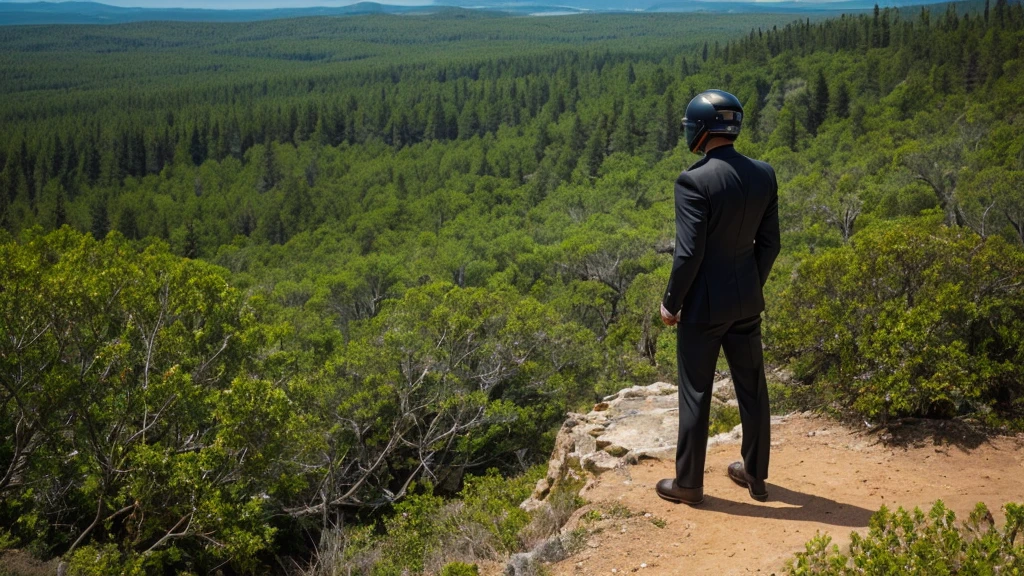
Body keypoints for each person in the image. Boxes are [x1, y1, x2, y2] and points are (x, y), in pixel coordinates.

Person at [654, 89, 780, 505]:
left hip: (703, 310)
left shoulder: (693, 180)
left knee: (695, 392)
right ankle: (756, 477)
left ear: (703, 129)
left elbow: (689, 253)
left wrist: (672, 304)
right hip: (746, 303)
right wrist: (750, 287)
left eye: (692, 125)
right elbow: (770, 244)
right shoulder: (764, 173)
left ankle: (688, 485)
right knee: (752, 389)